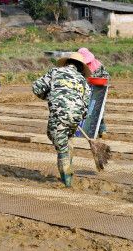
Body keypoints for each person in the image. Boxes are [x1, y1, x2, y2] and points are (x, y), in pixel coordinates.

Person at [32, 52, 91, 187]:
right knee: (66, 139)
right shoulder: (83, 81)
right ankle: (67, 152)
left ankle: (67, 181)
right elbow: (86, 105)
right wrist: (79, 115)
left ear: (67, 63)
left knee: (59, 144)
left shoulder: (55, 72)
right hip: (75, 117)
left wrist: (48, 96)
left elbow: (36, 87)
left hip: (58, 115)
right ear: (81, 67)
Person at [78, 47, 110, 137]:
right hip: (83, 90)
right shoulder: (78, 66)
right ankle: (82, 131)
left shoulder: (98, 65)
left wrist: (100, 80)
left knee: (98, 109)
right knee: (83, 110)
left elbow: (106, 76)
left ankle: (102, 131)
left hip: (97, 89)